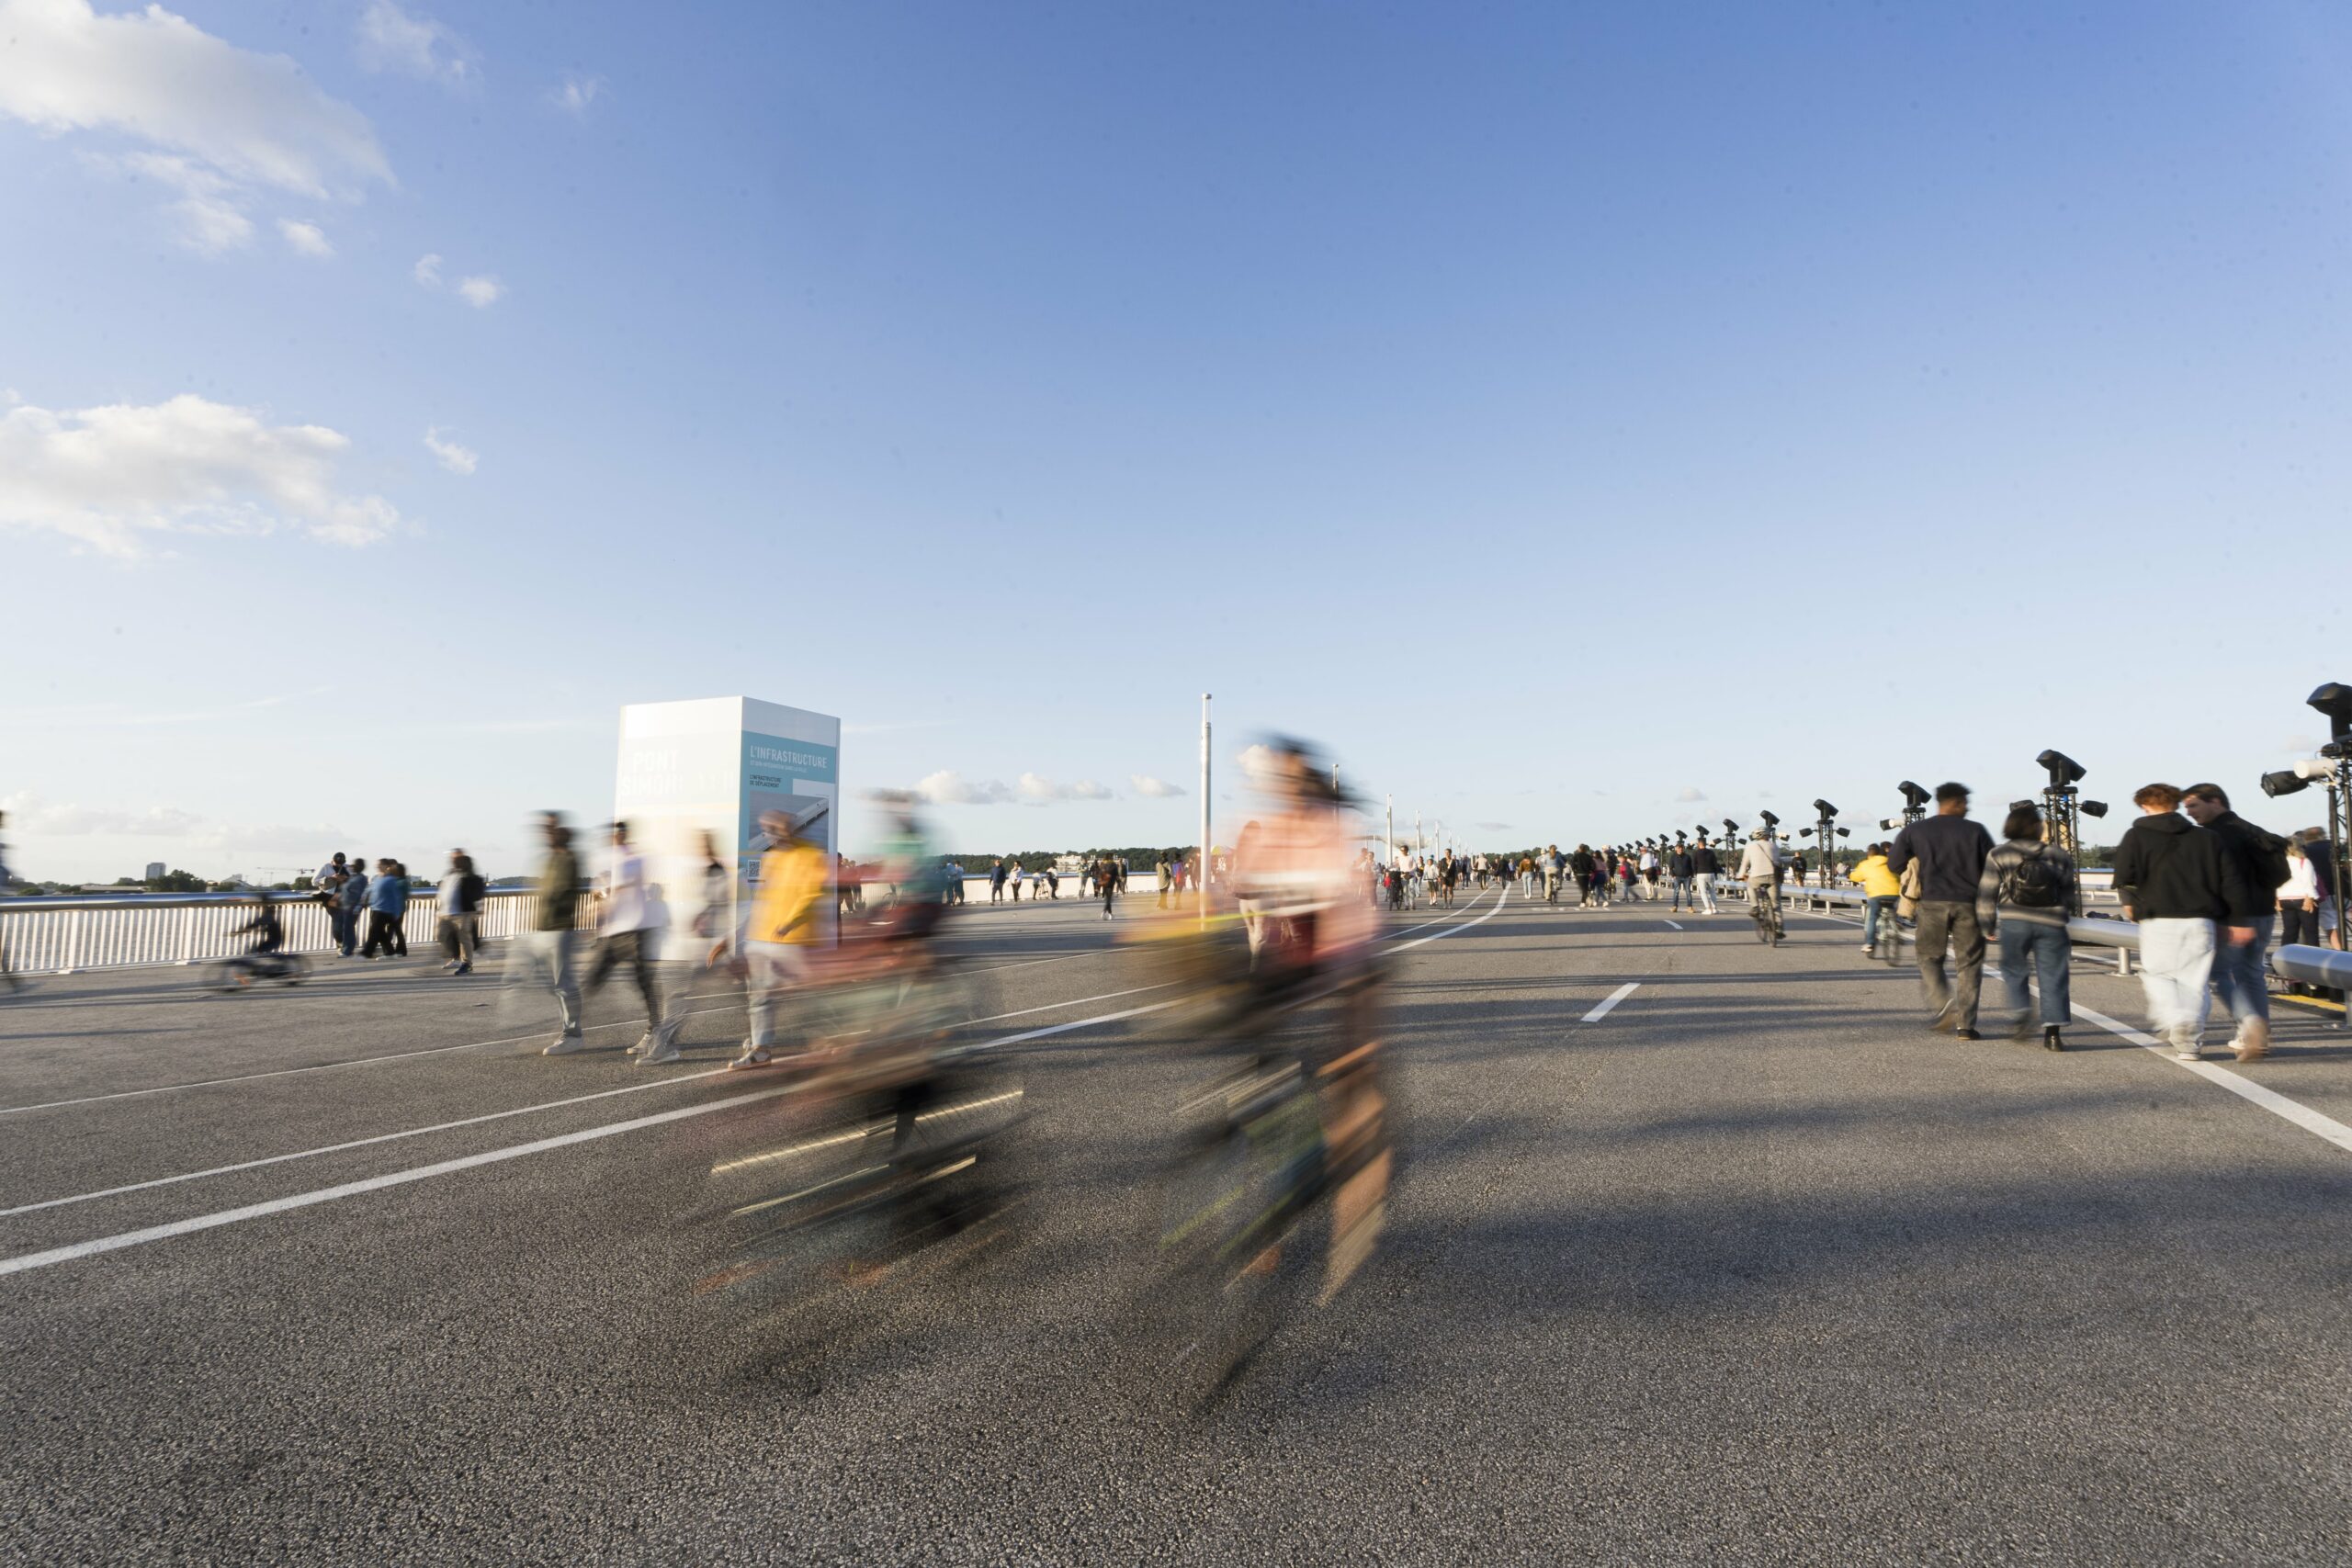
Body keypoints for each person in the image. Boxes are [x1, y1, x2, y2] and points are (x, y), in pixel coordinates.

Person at [2111, 783, 2254, 1063]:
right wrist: (2239, 920)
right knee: (2195, 981)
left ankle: (2178, 1019)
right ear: (2176, 804)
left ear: (2143, 806)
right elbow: (2231, 881)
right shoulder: (2207, 838)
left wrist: (2131, 904)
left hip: (2158, 919)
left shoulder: (2136, 835)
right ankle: (2190, 1043)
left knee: (2158, 975)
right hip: (2201, 921)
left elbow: (2124, 875)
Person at [2183, 784, 2287, 1062]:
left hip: (2234, 916)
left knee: (2218, 973)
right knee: (2252, 973)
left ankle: (2248, 1025)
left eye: (2193, 805)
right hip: (2264, 911)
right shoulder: (2252, 829)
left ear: (2215, 801)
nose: (2189, 812)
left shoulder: (2215, 835)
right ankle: (2260, 1035)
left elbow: (2223, 880)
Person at [1887, 783, 1995, 1039]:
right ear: (1955, 802)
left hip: (1932, 903)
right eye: (1965, 803)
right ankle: (1966, 1026)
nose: (1967, 808)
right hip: (1969, 904)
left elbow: (1894, 864)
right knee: (1968, 964)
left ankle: (1942, 1002)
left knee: (1929, 958)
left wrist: (1919, 863)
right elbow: (1994, 866)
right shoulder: (1976, 831)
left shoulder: (1916, 830)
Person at [734, 808, 829, 1068]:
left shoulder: (812, 855)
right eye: (766, 828)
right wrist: (745, 934)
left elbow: (811, 894)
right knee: (759, 995)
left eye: (774, 828)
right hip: (763, 937)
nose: (770, 833)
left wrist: (789, 922)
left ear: (789, 827)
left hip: (796, 938)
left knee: (806, 994)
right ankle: (761, 1049)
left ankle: (825, 1041)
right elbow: (763, 899)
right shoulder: (772, 858)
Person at [1976, 804, 2075, 1051]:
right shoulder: (2058, 854)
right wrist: (2063, 914)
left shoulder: (1998, 854)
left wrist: (1987, 924)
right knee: (2054, 976)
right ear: (2038, 826)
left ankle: (2021, 1012)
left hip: (2014, 921)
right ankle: (2053, 1034)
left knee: (2013, 969)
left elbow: (1987, 893)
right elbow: (2068, 893)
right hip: (2052, 923)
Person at [642, 830, 734, 1066]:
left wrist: (719, 936)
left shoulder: (719, 872)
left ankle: (663, 1046)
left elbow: (721, 907)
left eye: (702, 844)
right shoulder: (708, 871)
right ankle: (663, 1044)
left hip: (713, 945)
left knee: (679, 996)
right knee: (679, 995)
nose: (699, 848)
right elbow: (711, 906)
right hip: (701, 944)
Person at [585, 820, 664, 1052]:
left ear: (622, 835)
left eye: (616, 834)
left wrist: (600, 903)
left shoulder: (632, 860)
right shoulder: (612, 861)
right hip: (613, 933)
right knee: (593, 979)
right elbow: (600, 891)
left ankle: (655, 1031)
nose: (612, 838)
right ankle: (572, 1031)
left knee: (642, 984)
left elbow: (613, 891)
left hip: (635, 931)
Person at [530, 816, 589, 1054]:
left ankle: (573, 1034)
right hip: (545, 928)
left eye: (550, 832)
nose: (546, 835)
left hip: (561, 928)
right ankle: (569, 1028)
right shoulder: (553, 860)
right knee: (553, 983)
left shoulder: (568, 859)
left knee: (564, 984)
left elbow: (562, 891)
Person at [437, 850, 485, 975]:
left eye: (457, 861)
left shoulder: (472, 878)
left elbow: (477, 895)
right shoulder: (450, 874)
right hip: (446, 912)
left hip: (464, 912)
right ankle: (456, 957)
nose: (453, 862)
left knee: (465, 938)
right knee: (441, 935)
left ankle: (466, 963)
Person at [1849, 842, 1901, 953]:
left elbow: (1855, 877)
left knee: (1872, 917)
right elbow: (1899, 875)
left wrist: (1852, 877)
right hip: (1894, 892)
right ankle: (1896, 923)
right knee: (1893, 908)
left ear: (1869, 853)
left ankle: (1870, 943)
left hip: (1876, 895)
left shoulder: (1866, 864)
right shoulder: (1890, 861)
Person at [1737, 829, 1787, 937]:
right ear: (1768, 836)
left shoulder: (1750, 847)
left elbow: (1745, 863)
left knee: (1750, 885)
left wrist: (1740, 875)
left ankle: (1755, 907)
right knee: (1776, 904)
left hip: (1756, 877)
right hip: (1772, 877)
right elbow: (1779, 861)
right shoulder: (1774, 846)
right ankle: (1778, 928)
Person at [361, 857, 407, 959]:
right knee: (380, 931)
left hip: (387, 910)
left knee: (376, 930)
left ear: (387, 867)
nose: (377, 866)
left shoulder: (392, 880)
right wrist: (365, 901)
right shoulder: (377, 878)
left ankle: (367, 953)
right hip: (377, 908)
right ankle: (390, 952)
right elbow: (370, 890)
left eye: (379, 865)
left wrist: (397, 911)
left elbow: (398, 896)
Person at [335, 853, 368, 956]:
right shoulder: (353, 877)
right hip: (345, 906)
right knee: (346, 927)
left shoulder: (361, 878)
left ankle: (347, 950)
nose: (351, 867)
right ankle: (348, 948)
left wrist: (359, 906)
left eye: (354, 865)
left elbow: (362, 893)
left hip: (352, 906)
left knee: (348, 927)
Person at [1690, 837, 1722, 915]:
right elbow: (1715, 864)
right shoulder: (1711, 852)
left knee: (1703, 892)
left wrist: (1694, 873)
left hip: (1701, 873)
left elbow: (1694, 864)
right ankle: (1714, 908)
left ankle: (1708, 908)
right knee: (1712, 891)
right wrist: (1715, 873)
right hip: (1711, 873)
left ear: (1699, 844)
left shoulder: (1696, 853)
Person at [1667, 841, 1695, 913]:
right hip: (1677, 877)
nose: (1680, 849)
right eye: (1679, 848)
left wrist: (1691, 875)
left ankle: (1690, 907)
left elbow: (1691, 867)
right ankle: (1675, 907)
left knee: (1688, 892)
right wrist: (1673, 875)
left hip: (1687, 877)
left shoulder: (1687, 857)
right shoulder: (1673, 857)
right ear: (1676, 848)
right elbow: (1670, 867)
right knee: (1676, 892)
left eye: (1682, 848)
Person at [1096, 852, 1121, 919]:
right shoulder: (1113, 864)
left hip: (1104, 882)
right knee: (1109, 899)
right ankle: (1104, 912)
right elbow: (1117, 875)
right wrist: (1120, 884)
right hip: (1111, 883)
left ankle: (1110, 914)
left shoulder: (1102, 864)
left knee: (1108, 898)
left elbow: (1099, 874)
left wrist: (1098, 886)